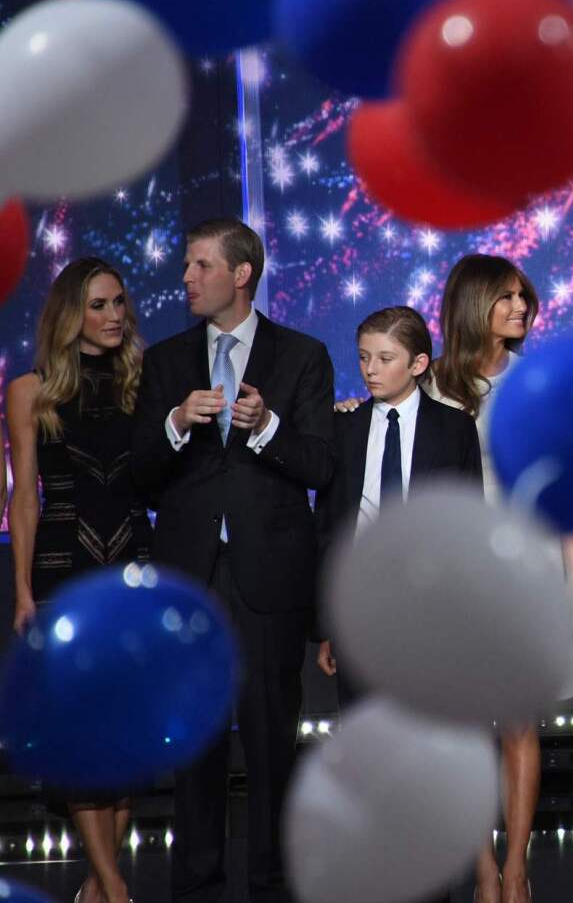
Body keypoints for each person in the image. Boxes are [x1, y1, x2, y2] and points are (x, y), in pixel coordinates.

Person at [131, 218, 335, 903]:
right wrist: (175, 424)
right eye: (187, 265)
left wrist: (269, 428)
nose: (186, 278)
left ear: (241, 274)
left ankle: (272, 880)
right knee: (194, 733)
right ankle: (196, 882)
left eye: (200, 265)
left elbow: (321, 463)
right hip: (189, 574)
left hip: (266, 574)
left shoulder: (301, 355)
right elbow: (138, 474)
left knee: (273, 735)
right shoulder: (164, 363)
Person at [425, 254, 573, 903]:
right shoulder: (430, 386)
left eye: (523, 298)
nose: (520, 309)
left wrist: (570, 585)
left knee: (518, 724)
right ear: (472, 305)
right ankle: (481, 868)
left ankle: (516, 868)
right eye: (506, 298)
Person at [5, 257, 152, 903]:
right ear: (72, 314)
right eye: (99, 305)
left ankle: (96, 889)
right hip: (64, 568)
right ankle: (115, 891)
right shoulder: (30, 390)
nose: (114, 315)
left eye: (119, 302)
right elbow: (26, 499)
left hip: (133, 568)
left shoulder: (144, 382)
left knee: (130, 742)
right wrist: (23, 591)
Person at [313, 305, 483, 705]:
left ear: (418, 363)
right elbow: (327, 525)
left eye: (385, 359)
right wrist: (327, 625)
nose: (370, 369)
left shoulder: (453, 428)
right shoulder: (343, 427)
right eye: (363, 357)